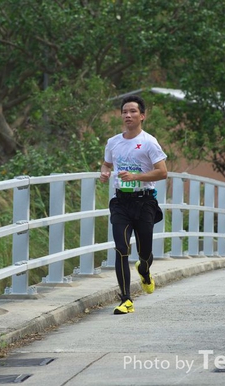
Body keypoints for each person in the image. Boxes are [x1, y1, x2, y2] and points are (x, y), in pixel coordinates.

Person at [99, 95, 168, 314]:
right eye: (124, 112)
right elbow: (107, 163)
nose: (128, 115)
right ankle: (126, 299)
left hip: (144, 201)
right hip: (121, 202)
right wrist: (104, 172)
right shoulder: (113, 142)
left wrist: (136, 176)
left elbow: (162, 172)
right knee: (121, 248)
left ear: (142, 116)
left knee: (144, 252)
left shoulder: (149, 142)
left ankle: (144, 269)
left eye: (133, 111)